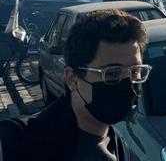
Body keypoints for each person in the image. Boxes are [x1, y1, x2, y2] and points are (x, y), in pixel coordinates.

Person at [0, 10, 150, 161]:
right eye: (111, 73)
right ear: (72, 78)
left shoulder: (118, 145)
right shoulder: (18, 142)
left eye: (135, 71)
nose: (127, 83)